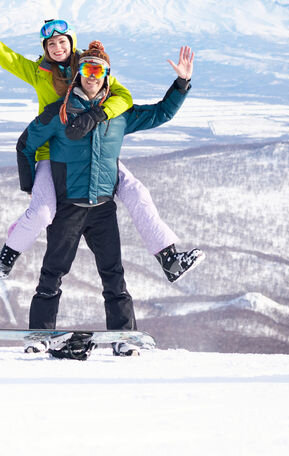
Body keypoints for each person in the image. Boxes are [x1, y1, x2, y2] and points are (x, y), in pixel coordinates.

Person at [0, 0, 202, 283]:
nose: (57, 48)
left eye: (61, 41)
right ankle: (7, 255)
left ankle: (169, 259)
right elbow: (5, 56)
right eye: (50, 44)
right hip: (52, 153)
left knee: (138, 193)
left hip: (96, 151)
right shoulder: (38, 73)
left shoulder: (91, 67)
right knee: (42, 212)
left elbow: (123, 98)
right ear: (45, 49)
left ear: (71, 42)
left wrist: (100, 113)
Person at [16, 41, 195, 349]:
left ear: (108, 76)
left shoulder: (120, 115)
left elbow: (162, 113)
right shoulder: (58, 114)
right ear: (78, 74)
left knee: (114, 277)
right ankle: (40, 337)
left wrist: (181, 83)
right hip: (67, 209)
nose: (92, 75)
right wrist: (33, 187)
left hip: (102, 209)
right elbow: (25, 145)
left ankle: (124, 338)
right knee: (51, 276)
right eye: (86, 68)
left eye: (99, 70)